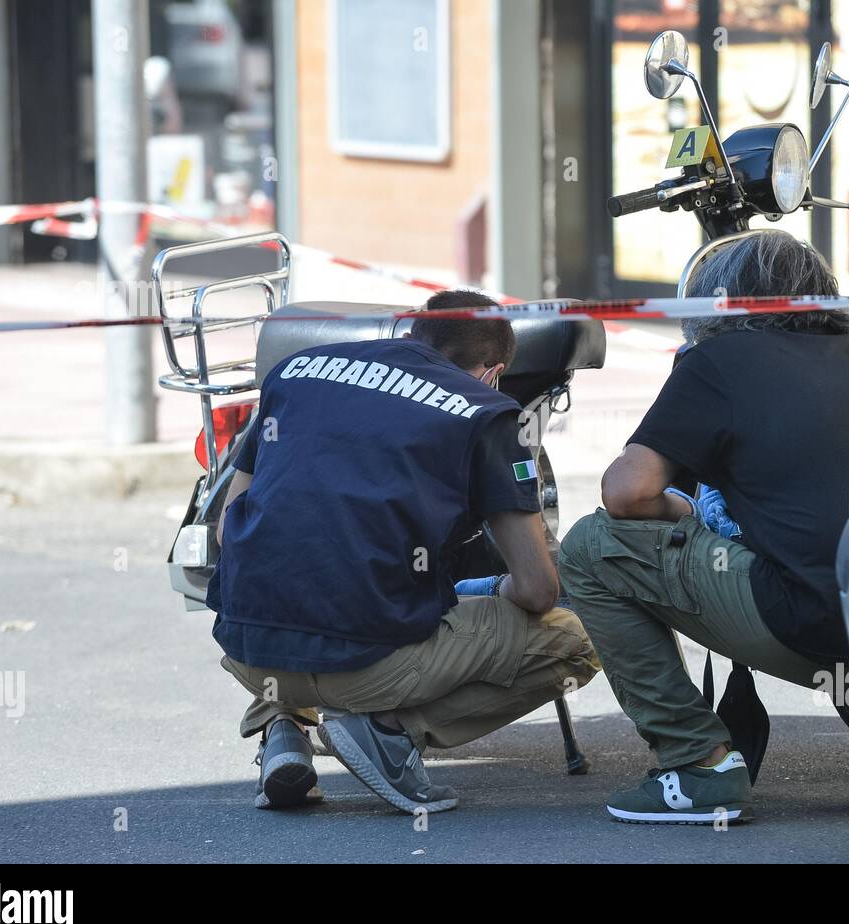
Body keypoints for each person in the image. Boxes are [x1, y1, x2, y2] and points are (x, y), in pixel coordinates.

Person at [209, 290, 599, 814]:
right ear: (493, 371)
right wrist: (488, 589)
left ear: (412, 336)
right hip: (364, 664)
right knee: (578, 639)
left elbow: (228, 528)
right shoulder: (484, 410)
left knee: (308, 571)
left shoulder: (297, 371)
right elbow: (536, 588)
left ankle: (282, 729)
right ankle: (388, 732)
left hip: (248, 649)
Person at [559, 230, 849, 824]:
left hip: (806, 618)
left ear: (717, 302)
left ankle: (698, 764)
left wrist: (682, 512)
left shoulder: (719, 361)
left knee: (589, 547)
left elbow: (625, 493)